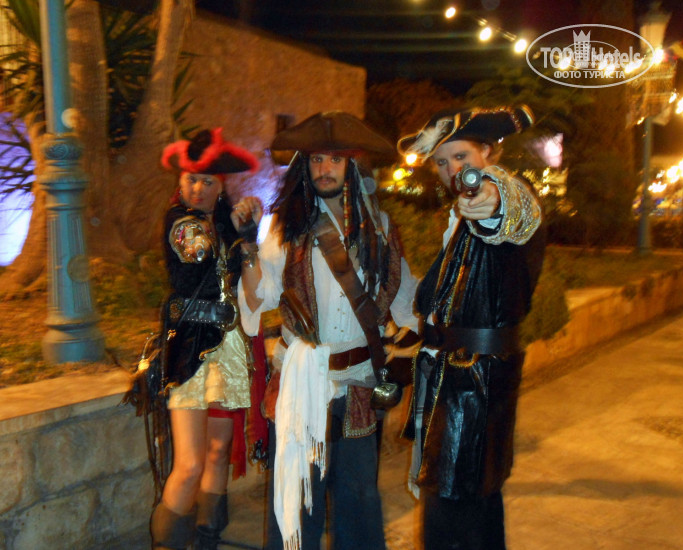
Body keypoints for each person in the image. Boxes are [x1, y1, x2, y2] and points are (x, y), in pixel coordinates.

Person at [230, 111, 419, 550]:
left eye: (335, 160)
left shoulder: (379, 228)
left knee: (358, 499)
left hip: (358, 382)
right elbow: (260, 298)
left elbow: (406, 300)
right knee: (298, 496)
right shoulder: (287, 227)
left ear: (352, 166)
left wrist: (430, 336)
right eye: (316, 160)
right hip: (301, 382)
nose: (324, 169)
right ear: (305, 167)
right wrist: (248, 247)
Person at [395, 105, 546, 550]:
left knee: (451, 506)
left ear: (488, 153)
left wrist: (490, 199)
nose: (452, 170)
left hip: (474, 380)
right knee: (475, 503)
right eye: (442, 162)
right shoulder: (458, 221)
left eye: (461, 157)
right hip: (459, 376)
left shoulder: (506, 192)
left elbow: (508, 210)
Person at [150, 128, 266, 550]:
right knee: (189, 464)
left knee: (218, 453)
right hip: (189, 347)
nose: (197, 188)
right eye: (191, 179)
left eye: (207, 181)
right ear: (180, 181)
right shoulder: (179, 221)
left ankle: (207, 541)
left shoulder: (225, 223)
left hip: (227, 343)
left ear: (221, 186)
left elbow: (256, 291)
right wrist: (232, 229)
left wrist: (249, 236)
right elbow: (197, 255)